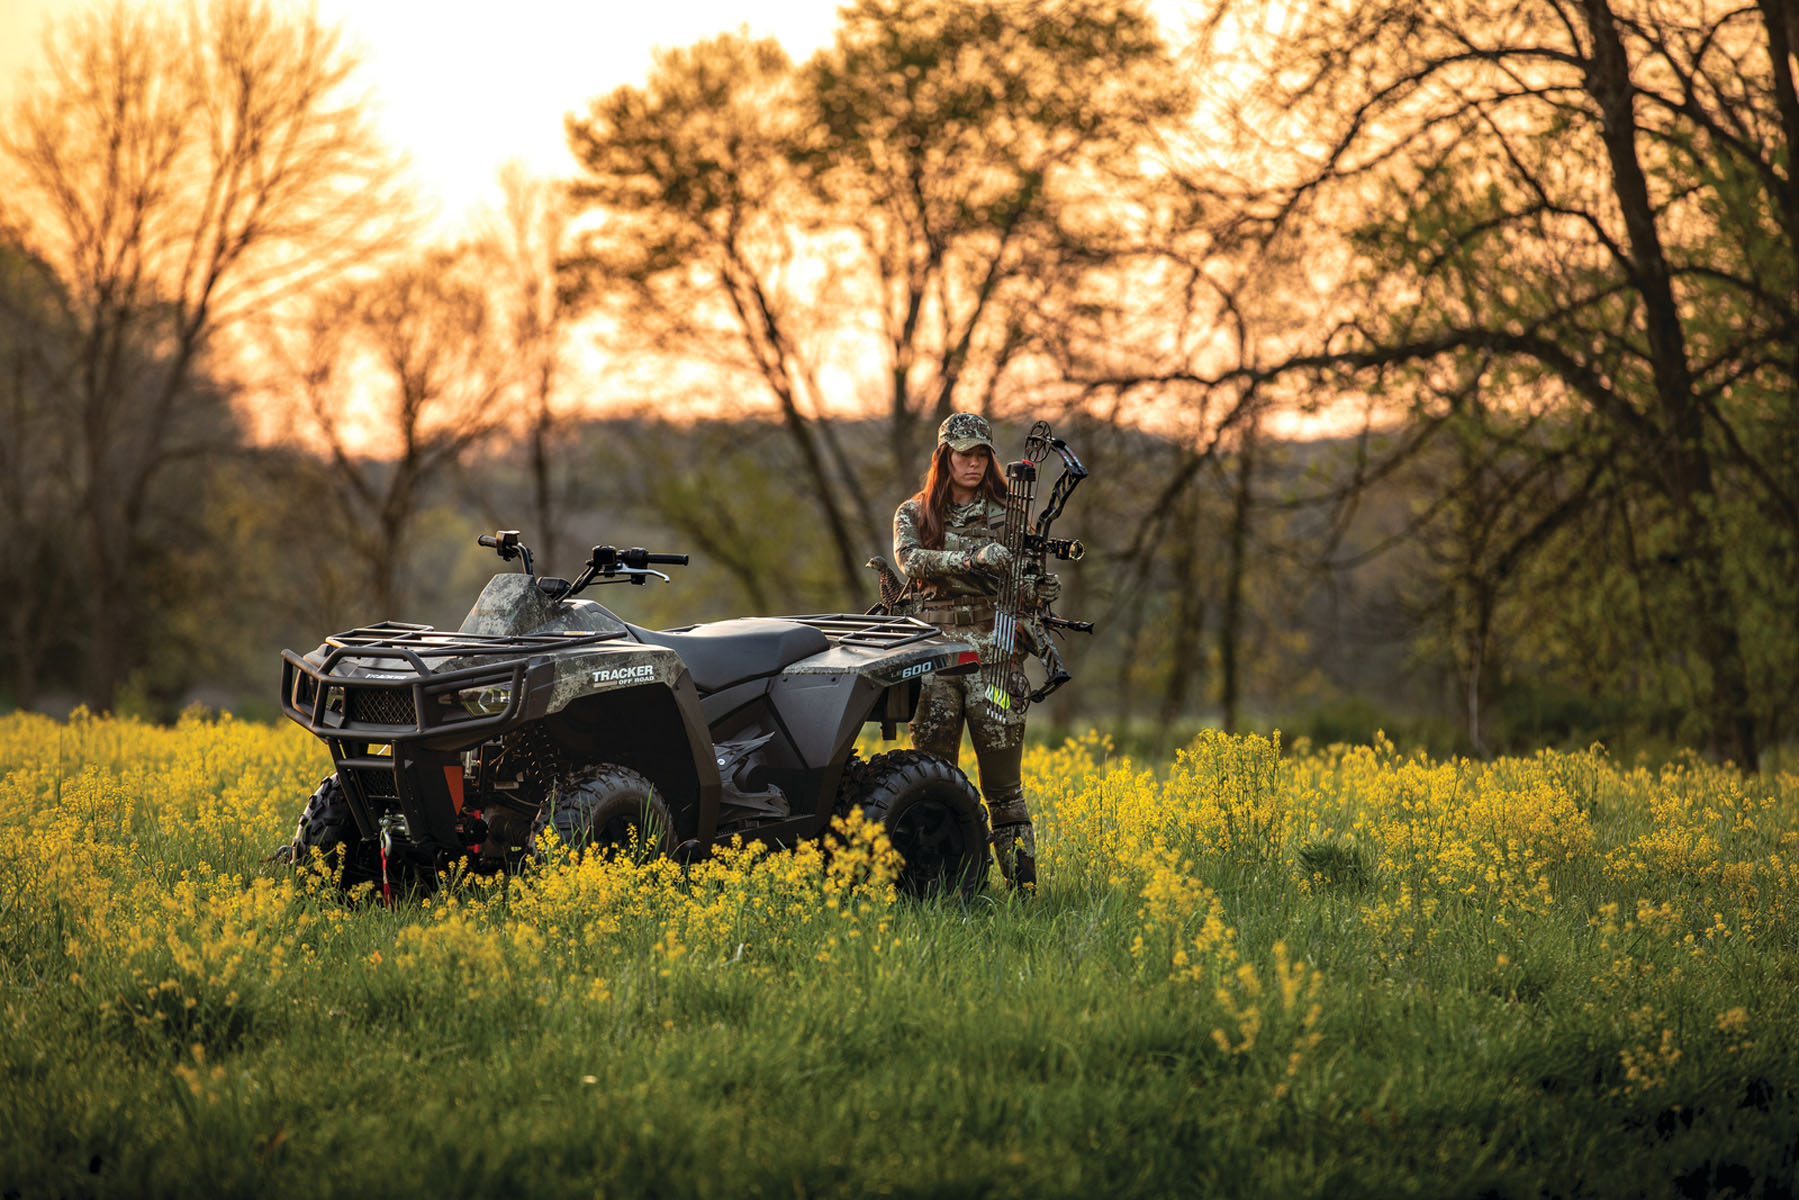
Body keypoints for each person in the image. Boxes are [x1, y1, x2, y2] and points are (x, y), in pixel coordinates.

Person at [892, 412, 1060, 891]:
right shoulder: (915, 514)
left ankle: (1024, 890)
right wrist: (973, 559)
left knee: (1005, 787)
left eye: (981, 453)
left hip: (997, 665)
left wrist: (1041, 588)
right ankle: (936, 887)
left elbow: (1024, 588)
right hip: (934, 664)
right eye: (963, 453)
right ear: (944, 457)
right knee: (933, 783)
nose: (973, 462)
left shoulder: (1011, 515)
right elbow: (912, 561)